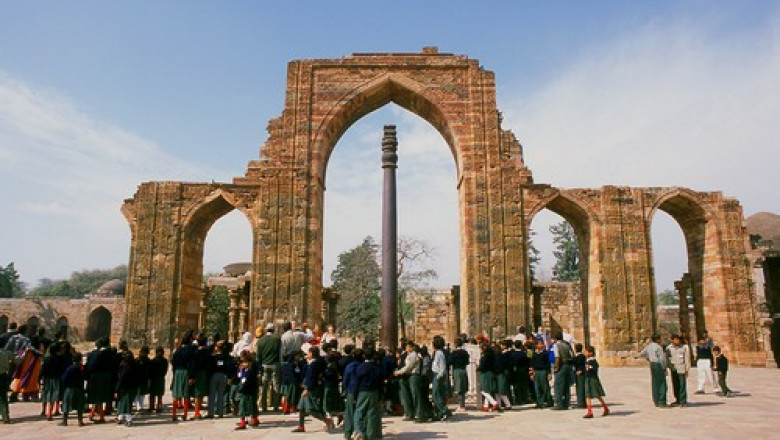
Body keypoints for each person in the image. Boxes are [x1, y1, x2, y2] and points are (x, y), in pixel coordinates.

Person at [292, 345, 333, 433]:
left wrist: (307, 389)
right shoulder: (315, 362)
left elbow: (312, 377)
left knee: (310, 409)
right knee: (302, 408)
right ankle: (301, 426)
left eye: (308, 353)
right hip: (308, 386)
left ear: (311, 353)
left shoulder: (314, 364)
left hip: (311, 389)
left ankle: (326, 420)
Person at [353, 346, 383, 440]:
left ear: (364, 356)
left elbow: (356, 382)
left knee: (359, 412)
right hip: (374, 392)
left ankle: (359, 431)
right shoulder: (376, 368)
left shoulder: (361, 367)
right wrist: (381, 394)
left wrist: (355, 395)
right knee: (372, 414)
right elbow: (380, 382)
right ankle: (372, 435)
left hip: (363, 392)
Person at [86, 337, 114, 423]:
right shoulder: (110, 353)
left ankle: (101, 416)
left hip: (96, 377)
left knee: (98, 397)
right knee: (99, 397)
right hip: (107, 376)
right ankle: (92, 413)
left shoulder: (95, 354)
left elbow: (90, 366)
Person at [255, 322, 282, 412]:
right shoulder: (277, 339)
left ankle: (264, 406)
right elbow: (281, 353)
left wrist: (258, 367)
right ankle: (275, 406)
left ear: (266, 329)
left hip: (264, 365)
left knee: (264, 386)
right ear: (274, 329)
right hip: (275, 364)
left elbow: (258, 355)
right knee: (275, 385)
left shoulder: (261, 340)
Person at [393, 341, 421, 421]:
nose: (406, 349)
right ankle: (413, 413)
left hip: (413, 375)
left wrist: (398, 372)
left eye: (407, 347)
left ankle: (418, 414)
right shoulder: (409, 355)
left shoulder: (413, 355)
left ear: (411, 347)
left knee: (415, 395)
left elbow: (408, 367)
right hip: (409, 376)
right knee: (412, 395)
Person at [170, 331, 195, 421]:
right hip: (185, 372)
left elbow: (173, 362)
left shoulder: (178, 350)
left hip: (177, 372)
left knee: (176, 394)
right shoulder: (190, 350)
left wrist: (174, 373)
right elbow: (191, 364)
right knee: (186, 394)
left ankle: (174, 414)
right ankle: (184, 414)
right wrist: (191, 376)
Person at [639, 333, 668, 407]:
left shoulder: (649, 346)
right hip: (658, 364)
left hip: (652, 364)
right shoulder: (659, 347)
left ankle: (656, 401)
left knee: (655, 383)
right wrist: (664, 368)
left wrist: (648, 358)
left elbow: (642, 353)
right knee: (662, 383)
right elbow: (662, 359)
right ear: (658, 339)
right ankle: (662, 401)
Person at [40, 343, 67, 420]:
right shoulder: (60, 359)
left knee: (46, 393)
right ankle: (51, 413)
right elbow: (63, 369)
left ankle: (43, 410)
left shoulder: (46, 359)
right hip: (56, 379)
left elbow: (43, 370)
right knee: (55, 394)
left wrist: (39, 378)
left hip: (47, 379)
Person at [581, 346, 609, 418]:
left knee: (597, 395)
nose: (585, 353)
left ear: (590, 353)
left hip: (593, 379)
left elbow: (595, 368)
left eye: (586, 352)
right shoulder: (587, 360)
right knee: (587, 395)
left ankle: (605, 408)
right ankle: (590, 412)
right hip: (588, 379)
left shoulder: (593, 361)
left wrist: (589, 367)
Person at [234, 351, 260, 430]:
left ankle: (248, 421)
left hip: (248, 391)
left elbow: (248, 381)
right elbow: (239, 376)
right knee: (243, 406)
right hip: (244, 390)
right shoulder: (244, 370)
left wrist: (242, 389)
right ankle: (247, 420)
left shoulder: (251, 371)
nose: (244, 364)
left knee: (247, 406)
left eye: (245, 362)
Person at [59, 351, 85, 427]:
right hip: (79, 388)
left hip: (70, 388)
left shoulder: (70, 368)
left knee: (66, 405)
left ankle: (65, 421)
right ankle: (80, 421)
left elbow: (64, 378)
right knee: (79, 405)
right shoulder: (82, 368)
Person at [342, 348, 362, 440]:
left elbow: (345, 379)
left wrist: (346, 389)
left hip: (351, 390)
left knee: (349, 413)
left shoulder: (350, 366)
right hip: (361, 391)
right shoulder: (363, 366)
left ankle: (348, 433)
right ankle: (359, 431)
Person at [666, 334, 691, 408]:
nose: (677, 341)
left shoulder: (685, 347)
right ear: (672, 340)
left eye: (678, 339)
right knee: (675, 385)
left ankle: (683, 401)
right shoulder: (669, 348)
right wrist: (669, 367)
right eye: (675, 339)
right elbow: (668, 358)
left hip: (681, 368)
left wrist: (687, 369)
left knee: (682, 385)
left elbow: (687, 359)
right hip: (674, 369)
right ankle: (678, 399)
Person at [551, 332, 574, 410]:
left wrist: (556, 367)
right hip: (568, 365)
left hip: (561, 365)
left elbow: (557, 357)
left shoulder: (556, 345)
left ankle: (559, 404)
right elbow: (572, 355)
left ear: (555, 338)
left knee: (558, 385)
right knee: (566, 385)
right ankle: (566, 403)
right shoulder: (567, 344)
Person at [431, 336, 451, 421]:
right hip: (436, 374)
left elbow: (442, 366)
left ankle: (444, 411)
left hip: (438, 375)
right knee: (437, 394)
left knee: (436, 395)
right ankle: (439, 413)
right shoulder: (437, 352)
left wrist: (439, 376)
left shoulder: (439, 353)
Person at [209, 341, 231, 418]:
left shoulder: (213, 357)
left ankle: (211, 412)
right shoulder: (226, 357)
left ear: (217, 348)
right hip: (223, 375)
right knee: (221, 393)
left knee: (212, 394)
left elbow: (210, 367)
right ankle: (220, 412)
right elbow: (227, 367)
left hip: (214, 375)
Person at [115, 351, 138, 427]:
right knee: (124, 403)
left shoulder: (125, 368)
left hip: (125, 389)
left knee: (126, 404)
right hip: (133, 388)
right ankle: (120, 418)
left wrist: (116, 389)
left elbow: (121, 379)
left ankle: (129, 420)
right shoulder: (134, 366)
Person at [448, 338, 469, 410]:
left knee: (459, 388)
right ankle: (462, 404)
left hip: (457, 370)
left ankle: (461, 405)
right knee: (462, 388)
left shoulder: (454, 353)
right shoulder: (465, 352)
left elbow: (450, 361)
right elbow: (467, 361)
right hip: (463, 369)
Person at [531, 339, 552, 408]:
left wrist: (549, 373)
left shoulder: (545, 353)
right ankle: (539, 402)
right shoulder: (534, 353)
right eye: (539, 344)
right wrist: (531, 373)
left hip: (543, 371)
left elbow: (548, 364)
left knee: (544, 387)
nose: (541, 345)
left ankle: (546, 401)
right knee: (537, 387)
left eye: (542, 344)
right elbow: (532, 364)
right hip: (536, 371)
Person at [477, 343, 497, 411]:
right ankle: (486, 405)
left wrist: (478, 368)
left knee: (483, 390)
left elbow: (482, 366)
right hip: (491, 372)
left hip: (485, 373)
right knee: (487, 390)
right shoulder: (492, 356)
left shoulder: (484, 357)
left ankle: (493, 402)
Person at [148, 346, 168, 413]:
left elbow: (150, 371)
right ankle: (158, 407)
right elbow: (165, 370)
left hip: (153, 378)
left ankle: (151, 407)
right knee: (159, 394)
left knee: (152, 394)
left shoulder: (153, 360)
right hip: (160, 378)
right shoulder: (165, 361)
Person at [573, 343, 587, 409]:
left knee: (581, 388)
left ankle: (581, 403)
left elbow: (581, 364)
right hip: (577, 372)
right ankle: (580, 402)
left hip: (580, 373)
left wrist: (580, 370)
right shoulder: (578, 356)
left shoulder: (581, 356)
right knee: (579, 387)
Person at [0, 346, 11, 424]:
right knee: (3, 396)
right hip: (3, 376)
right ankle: (5, 416)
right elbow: (18, 359)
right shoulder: (6, 353)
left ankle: (5, 416)